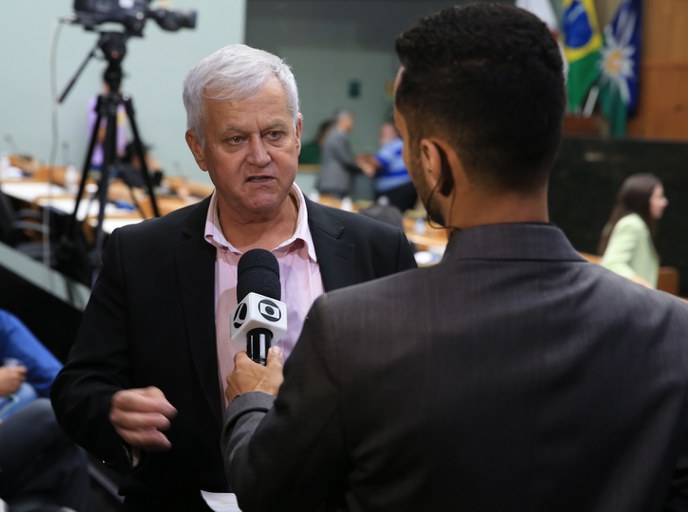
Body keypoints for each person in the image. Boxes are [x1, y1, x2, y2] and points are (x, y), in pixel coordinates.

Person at [222, 5, 688, 512]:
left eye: (406, 142)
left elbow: (266, 490)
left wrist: (253, 400)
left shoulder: (354, 331)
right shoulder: (672, 330)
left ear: (433, 160)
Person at [51, 43, 416, 511]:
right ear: (198, 149)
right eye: (235, 139)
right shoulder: (141, 253)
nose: (260, 156)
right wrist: (111, 410)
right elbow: (78, 387)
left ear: (298, 133)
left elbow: (417, 396)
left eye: (274, 134)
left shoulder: (378, 250)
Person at [598, 173, 668, 288]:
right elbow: (612, 263)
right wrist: (645, 287)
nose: (664, 202)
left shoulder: (626, 221)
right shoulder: (632, 224)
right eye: (658, 197)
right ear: (642, 199)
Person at [317, 109, 371, 198]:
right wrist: (363, 166)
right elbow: (346, 159)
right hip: (334, 183)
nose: (353, 124)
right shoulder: (337, 136)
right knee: (333, 205)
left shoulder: (336, 135)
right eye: (351, 121)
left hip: (335, 183)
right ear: (344, 121)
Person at [365, 121, 417, 211]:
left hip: (398, 191)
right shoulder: (390, 146)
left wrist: (362, 160)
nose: (381, 135)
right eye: (381, 132)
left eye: (385, 132)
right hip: (394, 191)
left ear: (395, 134)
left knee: (389, 216)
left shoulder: (395, 144)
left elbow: (377, 162)